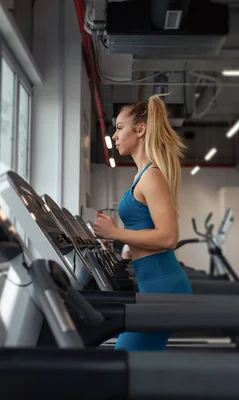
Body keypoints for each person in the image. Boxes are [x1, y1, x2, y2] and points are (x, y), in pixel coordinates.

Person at [93, 94, 192, 352]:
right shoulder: (141, 176)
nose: (114, 135)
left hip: (163, 283)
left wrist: (116, 233)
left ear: (141, 130)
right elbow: (143, 227)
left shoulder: (151, 177)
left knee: (125, 360)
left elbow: (168, 237)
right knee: (138, 361)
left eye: (120, 127)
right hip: (153, 281)